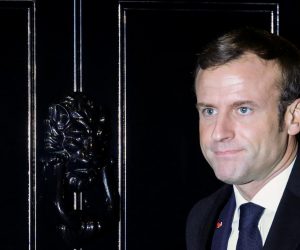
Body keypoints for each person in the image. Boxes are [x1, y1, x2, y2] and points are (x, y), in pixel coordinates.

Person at [186, 27, 300, 250]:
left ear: (293, 117)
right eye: (209, 111)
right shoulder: (202, 218)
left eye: (243, 110)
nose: (219, 133)